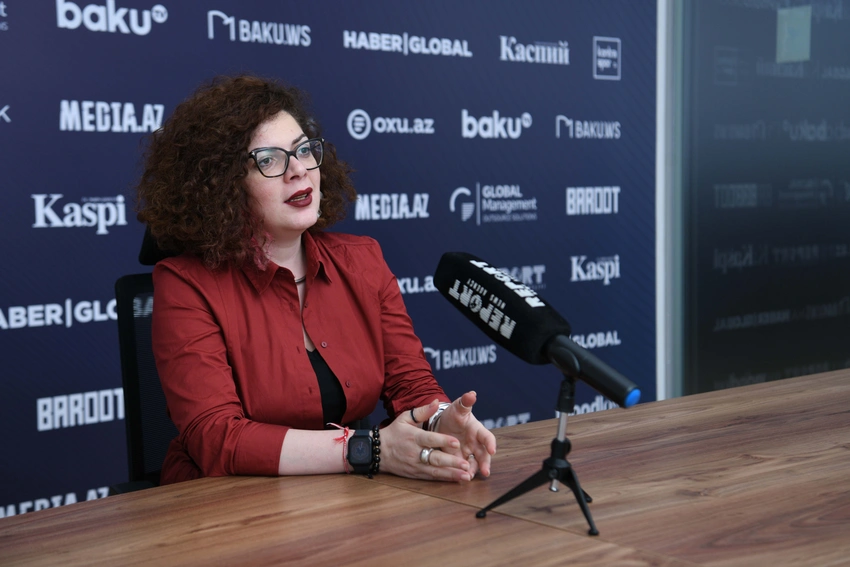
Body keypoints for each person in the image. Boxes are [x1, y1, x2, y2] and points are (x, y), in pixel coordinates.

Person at [136, 75, 496, 485]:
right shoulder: (185, 285)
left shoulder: (362, 260)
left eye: (304, 150)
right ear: (221, 185)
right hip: (224, 504)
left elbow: (410, 384)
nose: (298, 170)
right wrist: (368, 449)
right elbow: (217, 438)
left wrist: (439, 421)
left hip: (342, 493)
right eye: (269, 160)